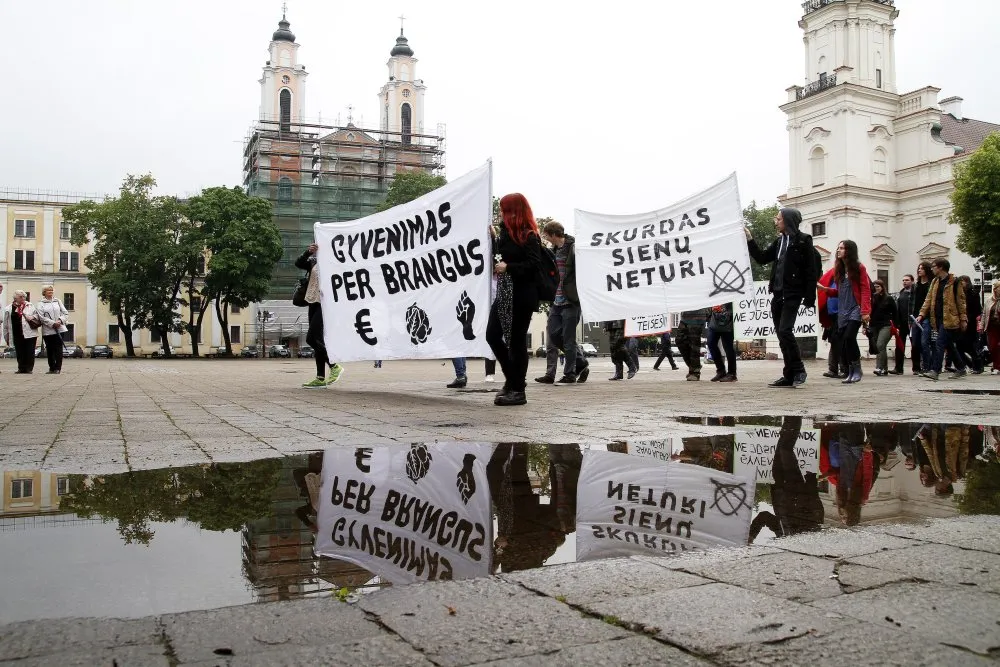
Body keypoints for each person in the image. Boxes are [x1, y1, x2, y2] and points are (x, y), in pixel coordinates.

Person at [745, 207, 818, 387]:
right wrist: (750, 240)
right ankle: (789, 374)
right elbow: (762, 258)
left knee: (785, 331)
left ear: (788, 220)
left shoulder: (803, 240)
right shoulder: (779, 242)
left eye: (778, 219)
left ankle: (799, 369)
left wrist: (809, 297)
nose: (775, 221)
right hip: (778, 294)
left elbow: (811, 270)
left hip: (792, 294)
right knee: (781, 336)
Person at [487, 193, 542, 406]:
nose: (501, 213)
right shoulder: (505, 234)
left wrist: (509, 267)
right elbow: (499, 258)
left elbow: (534, 266)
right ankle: (513, 379)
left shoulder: (529, 236)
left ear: (514, 211)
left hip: (522, 295)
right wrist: (493, 239)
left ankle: (518, 390)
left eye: (504, 209)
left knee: (517, 341)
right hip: (504, 293)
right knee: (492, 335)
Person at [535, 221, 590, 384]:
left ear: (553, 234)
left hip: (571, 300)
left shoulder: (573, 248)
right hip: (556, 300)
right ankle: (581, 362)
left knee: (568, 338)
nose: (546, 238)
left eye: (546, 235)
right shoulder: (553, 250)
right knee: (554, 335)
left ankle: (570, 374)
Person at [817, 240, 872, 384]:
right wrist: (825, 289)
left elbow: (865, 289)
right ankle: (850, 370)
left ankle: (857, 369)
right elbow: (840, 292)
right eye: (838, 248)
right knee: (844, 342)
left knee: (849, 337)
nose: (838, 250)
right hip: (843, 310)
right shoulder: (839, 270)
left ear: (849, 251)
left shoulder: (859, 268)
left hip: (855, 308)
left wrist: (865, 310)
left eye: (842, 248)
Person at [295, 243, 344, 387]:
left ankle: (334, 366)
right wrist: (308, 252)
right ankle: (320, 377)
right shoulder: (313, 262)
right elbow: (298, 263)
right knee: (315, 340)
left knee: (313, 338)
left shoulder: (335, 263)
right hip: (313, 302)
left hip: (326, 304)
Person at [916, 258, 968, 381]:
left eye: (933, 266)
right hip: (937, 318)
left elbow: (961, 301)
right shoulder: (935, 281)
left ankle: (935, 370)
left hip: (950, 318)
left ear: (940, 267)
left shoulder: (955, 282)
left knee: (940, 343)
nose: (932, 269)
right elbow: (928, 299)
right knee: (948, 344)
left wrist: (963, 319)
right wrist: (921, 314)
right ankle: (961, 368)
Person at [2, 290, 40, 374]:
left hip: (29, 332)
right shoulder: (9, 308)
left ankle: (29, 368)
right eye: (21, 297)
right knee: (19, 351)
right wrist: (6, 335)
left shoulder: (30, 306)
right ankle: (21, 368)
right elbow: (6, 323)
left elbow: (37, 315)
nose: (23, 298)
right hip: (16, 333)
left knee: (30, 351)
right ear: (15, 298)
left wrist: (31, 317)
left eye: (24, 297)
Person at [817, 264, 845, 378]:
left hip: (842, 315)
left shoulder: (844, 283)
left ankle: (844, 368)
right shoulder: (830, 282)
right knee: (834, 341)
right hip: (832, 317)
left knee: (841, 342)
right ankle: (833, 369)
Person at [35, 285, 69, 374]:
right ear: (44, 292)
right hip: (48, 330)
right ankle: (52, 367)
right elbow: (41, 317)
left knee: (58, 349)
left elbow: (65, 313)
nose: (50, 292)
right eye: (48, 290)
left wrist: (60, 320)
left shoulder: (57, 301)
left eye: (51, 290)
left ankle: (58, 368)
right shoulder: (40, 303)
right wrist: (52, 323)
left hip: (60, 328)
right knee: (50, 349)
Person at [868, 279, 896, 376]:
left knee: (880, 345)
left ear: (882, 287)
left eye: (878, 287)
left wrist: (897, 326)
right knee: (879, 347)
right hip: (874, 325)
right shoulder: (873, 298)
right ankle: (884, 369)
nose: (876, 288)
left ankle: (879, 368)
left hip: (886, 325)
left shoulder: (889, 298)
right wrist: (866, 326)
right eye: (875, 287)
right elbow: (870, 313)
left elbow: (895, 312)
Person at [956, 275, 984, 374]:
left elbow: (977, 310)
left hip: (970, 324)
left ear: (967, 282)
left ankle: (978, 366)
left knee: (970, 346)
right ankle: (970, 364)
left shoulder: (973, 294)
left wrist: (968, 318)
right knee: (959, 346)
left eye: (962, 282)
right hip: (960, 323)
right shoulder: (959, 294)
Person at [909, 262, 933, 374]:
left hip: (927, 317)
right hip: (915, 317)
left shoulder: (931, 285)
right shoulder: (915, 286)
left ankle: (927, 366)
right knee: (915, 344)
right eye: (919, 268)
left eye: (922, 268)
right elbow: (911, 303)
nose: (919, 270)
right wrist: (910, 319)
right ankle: (917, 367)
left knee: (925, 343)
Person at [675, 309, 710, 381]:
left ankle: (695, 372)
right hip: (685, 316)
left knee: (694, 345)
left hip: (698, 317)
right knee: (679, 340)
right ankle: (694, 366)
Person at [707, 302, 737, 382]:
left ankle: (732, 374)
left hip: (728, 321)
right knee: (710, 343)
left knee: (728, 347)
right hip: (714, 321)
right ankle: (721, 371)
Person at [890, 274, 913, 375]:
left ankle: (917, 368)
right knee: (899, 346)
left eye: (907, 280)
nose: (904, 282)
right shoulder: (901, 294)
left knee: (915, 346)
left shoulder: (914, 293)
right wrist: (896, 324)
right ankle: (898, 368)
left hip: (912, 323)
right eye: (903, 280)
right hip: (901, 324)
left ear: (912, 281)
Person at [984, 281, 1000, 375]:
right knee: (993, 347)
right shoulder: (989, 300)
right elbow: (984, 313)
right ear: (995, 289)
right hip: (991, 326)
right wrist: (982, 326)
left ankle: (997, 366)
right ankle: (996, 365)